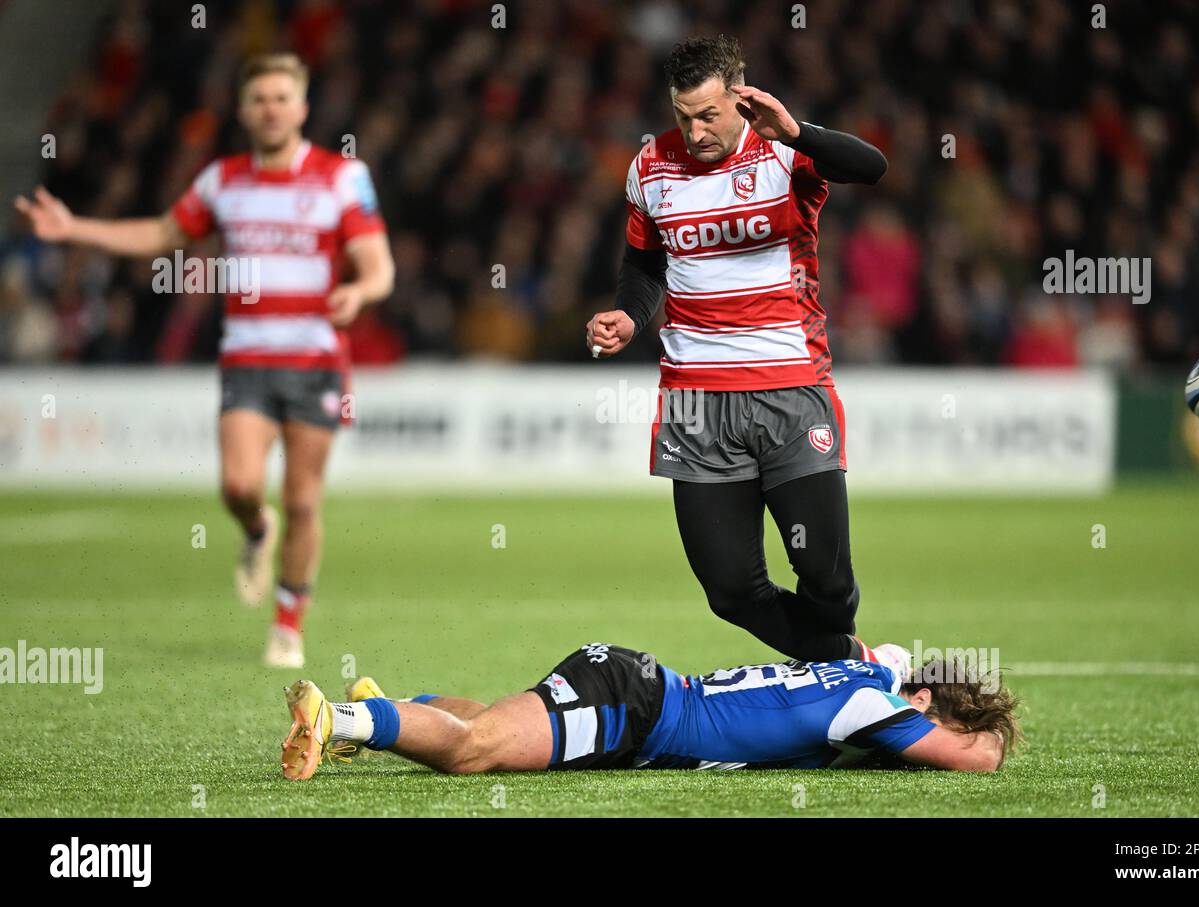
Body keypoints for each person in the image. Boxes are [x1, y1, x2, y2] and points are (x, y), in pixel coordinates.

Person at [14, 53, 394, 668]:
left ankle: (288, 622)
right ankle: (254, 529)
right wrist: (74, 227)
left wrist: (361, 290)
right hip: (246, 359)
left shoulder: (341, 177)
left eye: (281, 97)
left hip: (315, 362)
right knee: (239, 486)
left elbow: (379, 265)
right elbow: (162, 234)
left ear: (302, 107)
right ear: (244, 110)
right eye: (259, 99)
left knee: (303, 500)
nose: (270, 109)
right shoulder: (224, 181)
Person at [584, 35, 887, 663]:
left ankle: (840, 677)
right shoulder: (650, 168)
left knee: (826, 580)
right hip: (695, 403)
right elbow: (643, 268)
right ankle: (856, 666)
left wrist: (798, 131)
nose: (694, 132)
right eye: (682, 116)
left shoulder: (783, 152)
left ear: (738, 95)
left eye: (708, 115)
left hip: (791, 391)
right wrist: (629, 318)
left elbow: (872, 165)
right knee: (729, 589)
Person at [279, 642, 1020, 780]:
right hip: (637, 707)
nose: (923, 744)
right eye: (932, 723)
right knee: (477, 749)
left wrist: (899, 666)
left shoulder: (866, 676)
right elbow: (975, 756)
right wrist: (976, 736)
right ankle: (335, 721)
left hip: (636, 701)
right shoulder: (872, 703)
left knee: (502, 725)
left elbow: (882, 650)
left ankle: (380, 711)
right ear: (918, 700)